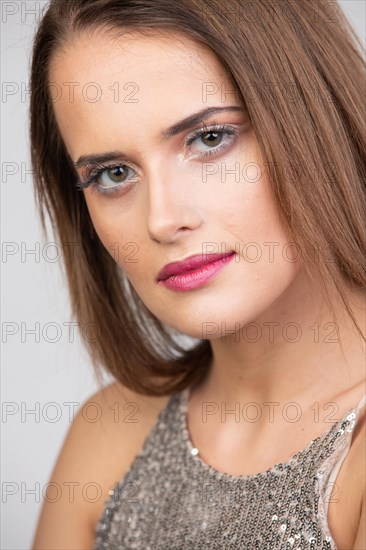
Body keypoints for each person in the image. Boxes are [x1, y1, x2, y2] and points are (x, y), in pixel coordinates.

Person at [29, 0, 365, 548]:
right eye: (114, 174)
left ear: (311, 114)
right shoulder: (109, 432)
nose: (163, 220)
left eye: (209, 139)